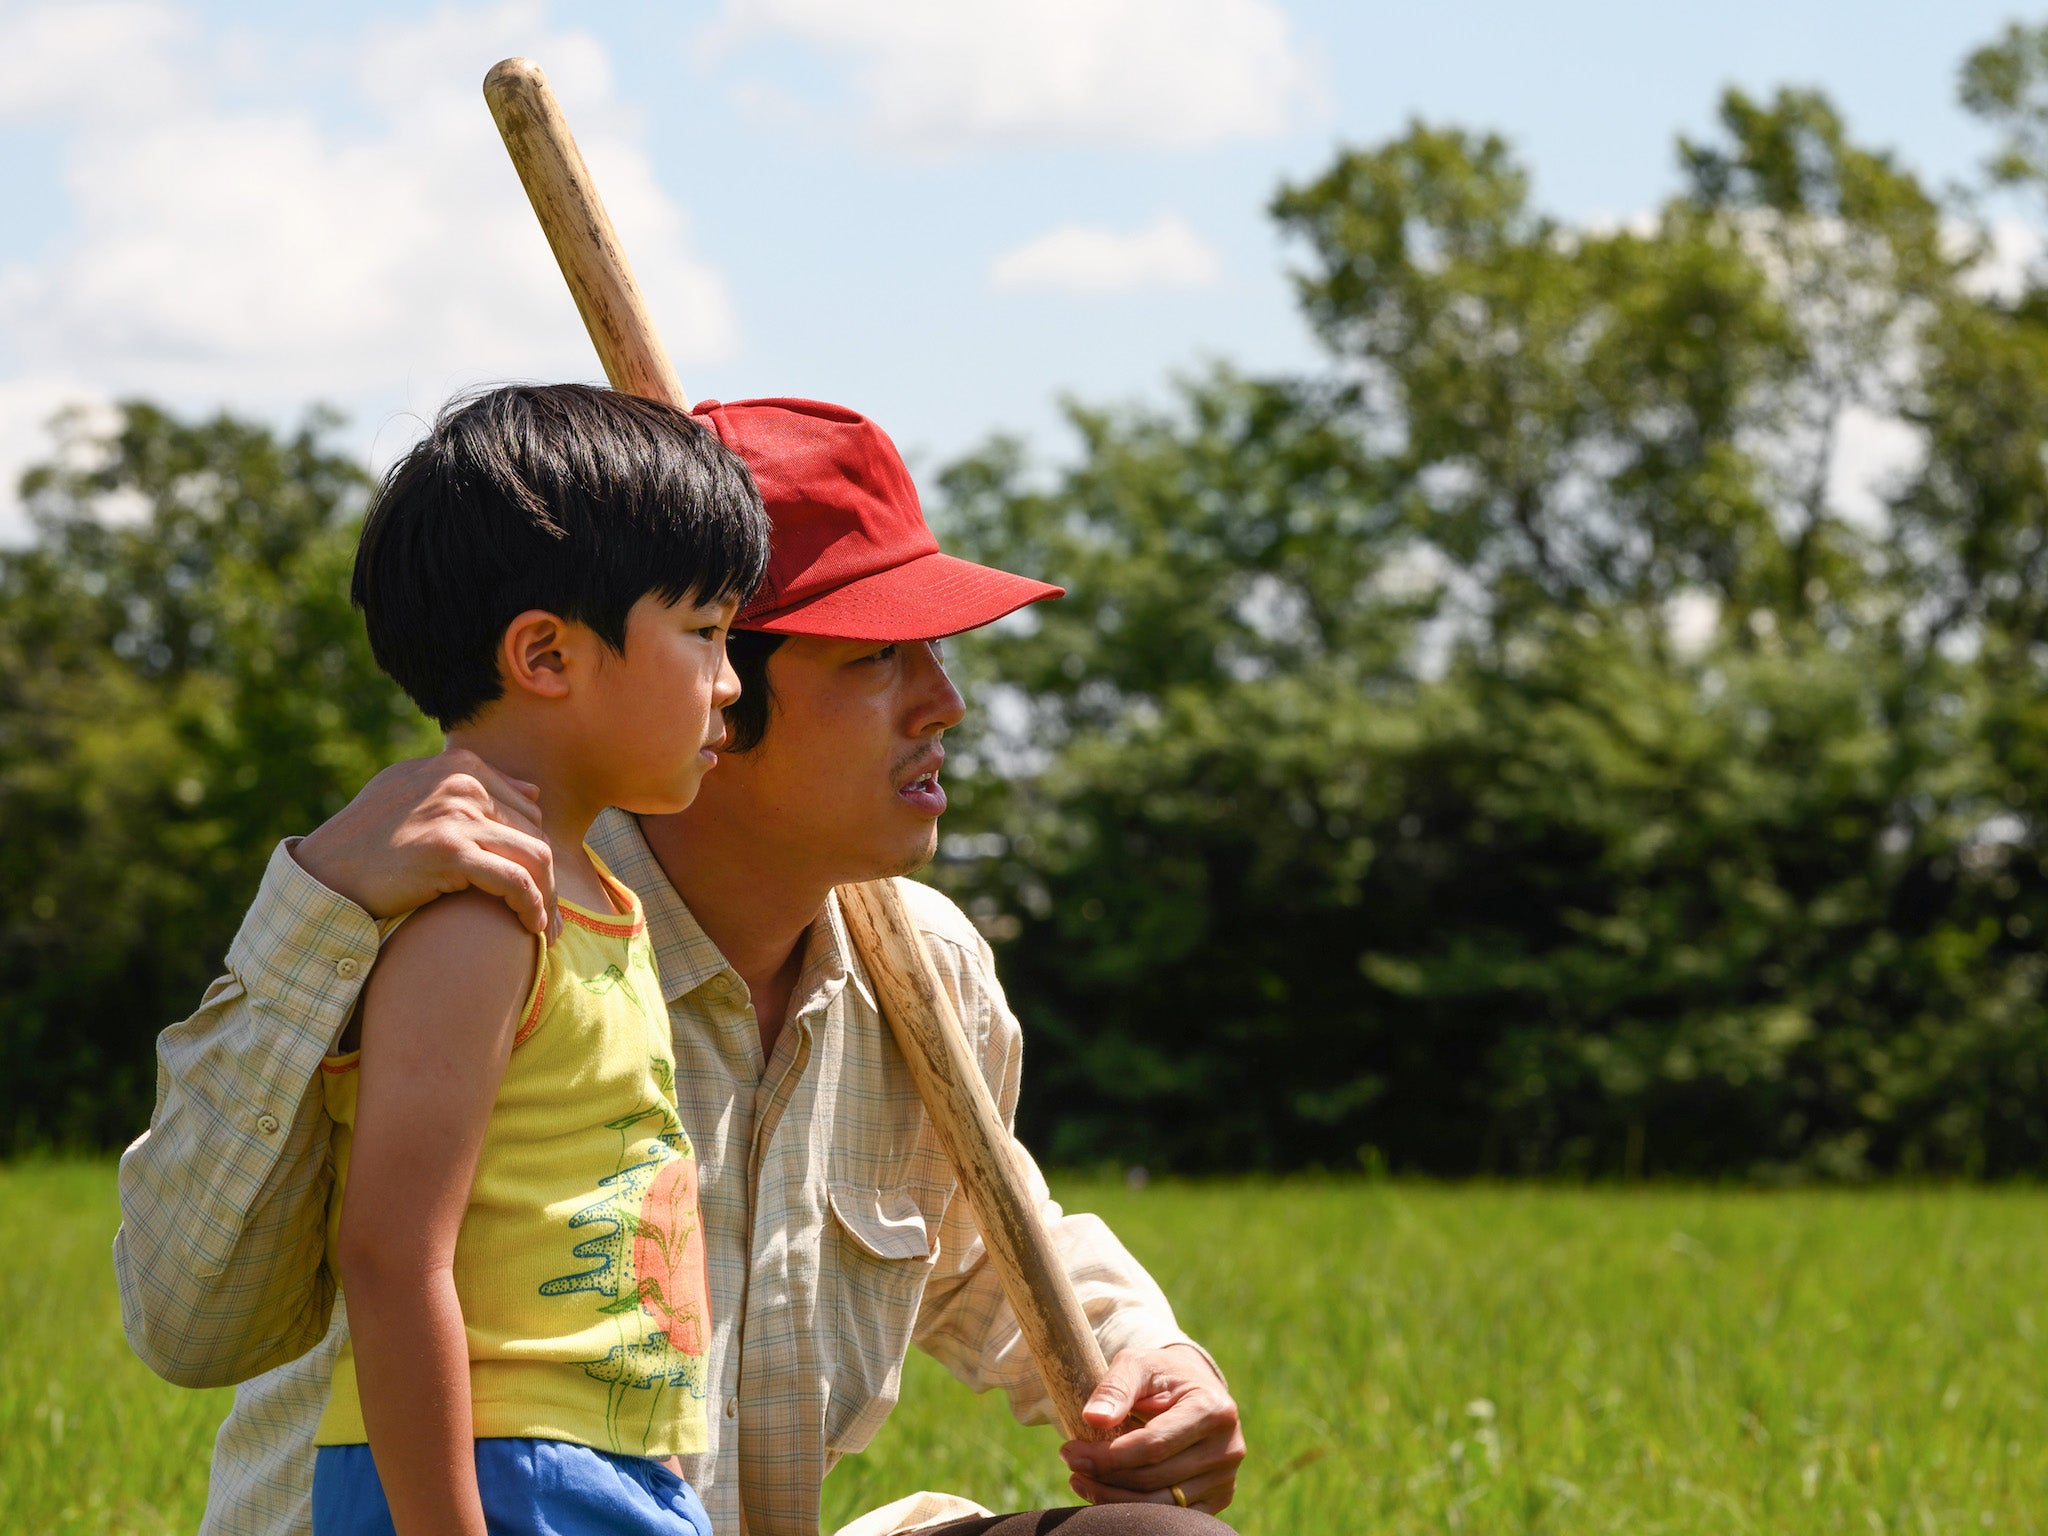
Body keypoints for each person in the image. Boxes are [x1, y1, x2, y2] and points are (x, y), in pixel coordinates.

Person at [115, 396, 1247, 1536]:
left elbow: (979, 1244)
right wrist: (315, 906)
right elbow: (189, 1321)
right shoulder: (465, 909)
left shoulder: (928, 969)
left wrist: (1147, 1359)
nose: (944, 704)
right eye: (874, 658)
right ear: (721, 683)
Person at [306, 383, 769, 1535]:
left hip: (600, 1464)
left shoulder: (596, 896)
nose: (730, 682)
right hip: (498, 1472)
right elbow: (387, 1251)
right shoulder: (480, 915)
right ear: (546, 656)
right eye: (706, 633)